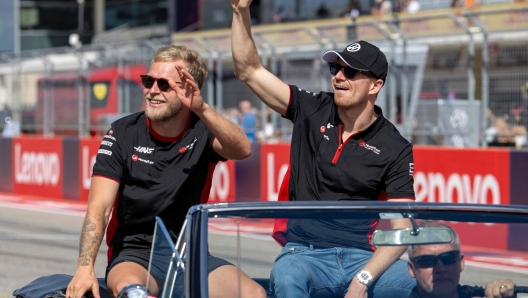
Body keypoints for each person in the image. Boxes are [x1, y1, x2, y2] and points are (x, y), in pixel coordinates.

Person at [231, 1, 416, 297]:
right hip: (303, 253)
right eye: (335, 67)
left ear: (375, 85)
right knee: (287, 278)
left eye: (351, 72)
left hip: (362, 257)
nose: (339, 76)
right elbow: (249, 70)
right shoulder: (311, 107)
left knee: (421, 286)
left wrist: (364, 279)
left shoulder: (395, 147)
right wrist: (240, 11)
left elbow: (402, 229)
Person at [65, 45, 266, 298]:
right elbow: (99, 208)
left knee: (254, 294)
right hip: (133, 254)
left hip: (189, 256)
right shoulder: (122, 133)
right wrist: (85, 268)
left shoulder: (202, 130)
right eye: (148, 81)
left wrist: (202, 108)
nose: (152, 91)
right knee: (133, 293)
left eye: (163, 84)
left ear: (187, 90)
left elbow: (243, 149)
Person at [407, 220, 517, 298]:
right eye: (427, 260)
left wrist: (504, 290)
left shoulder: (481, 294)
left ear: (461, 262)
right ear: (412, 269)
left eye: (448, 258)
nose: (440, 269)